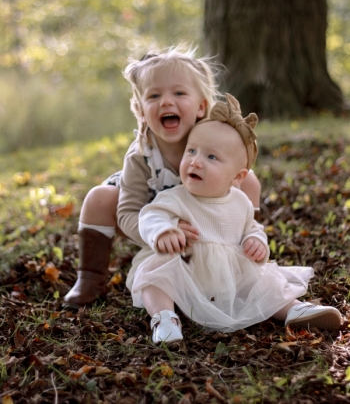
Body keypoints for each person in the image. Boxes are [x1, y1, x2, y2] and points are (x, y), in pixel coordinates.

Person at [129, 94, 342, 344]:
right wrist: (163, 231)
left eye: (211, 157)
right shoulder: (176, 197)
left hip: (228, 275)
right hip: (186, 270)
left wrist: (256, 240)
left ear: (237, 176)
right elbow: (151, 215)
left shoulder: (239, 201)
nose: (196, 161)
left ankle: (292, 309)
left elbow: (252, 226)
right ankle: (164, 318)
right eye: (192, 151)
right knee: (155, 276)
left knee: (263, 281)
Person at [63, 47, 261, 309]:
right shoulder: (141, 154)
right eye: (154, 95)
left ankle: (245, 252)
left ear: (201, 106)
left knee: (248, 181)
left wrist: (251, 236)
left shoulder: (217, 139)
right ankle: (90, 280)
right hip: (151, 216)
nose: (166, 102)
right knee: (99, 198)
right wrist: (160, 231)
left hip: (205, 213)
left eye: (179, 93)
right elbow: (127, 213)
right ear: (141, 110)